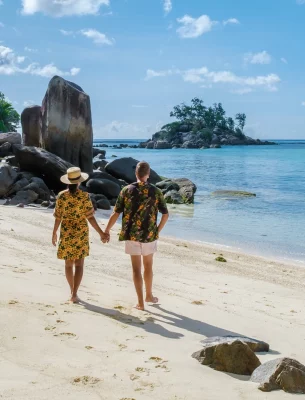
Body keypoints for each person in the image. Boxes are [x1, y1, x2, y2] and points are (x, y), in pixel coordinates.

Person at [105, 161, 169, 311]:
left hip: (131, 234)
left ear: (136, 174)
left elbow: (116, 213)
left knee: (136, 269)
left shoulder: (126, 190)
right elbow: (165, 214)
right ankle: (149, 295)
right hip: (149, 234)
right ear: (148, 174)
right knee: (148, 266)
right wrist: (157, 231)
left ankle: (140, 302)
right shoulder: (156, 191)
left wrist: (106, 230)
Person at [52, 167, 109, 303]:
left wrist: (54, 232)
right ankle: (74, 293)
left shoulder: (61, 196)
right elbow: (90, 217)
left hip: (66, 231)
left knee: (68, 264)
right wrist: (101, 233)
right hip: (80, 232)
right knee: (79, 265)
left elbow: (58, 217)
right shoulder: (84, 196)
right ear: (79, 182)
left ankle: (71, 291)